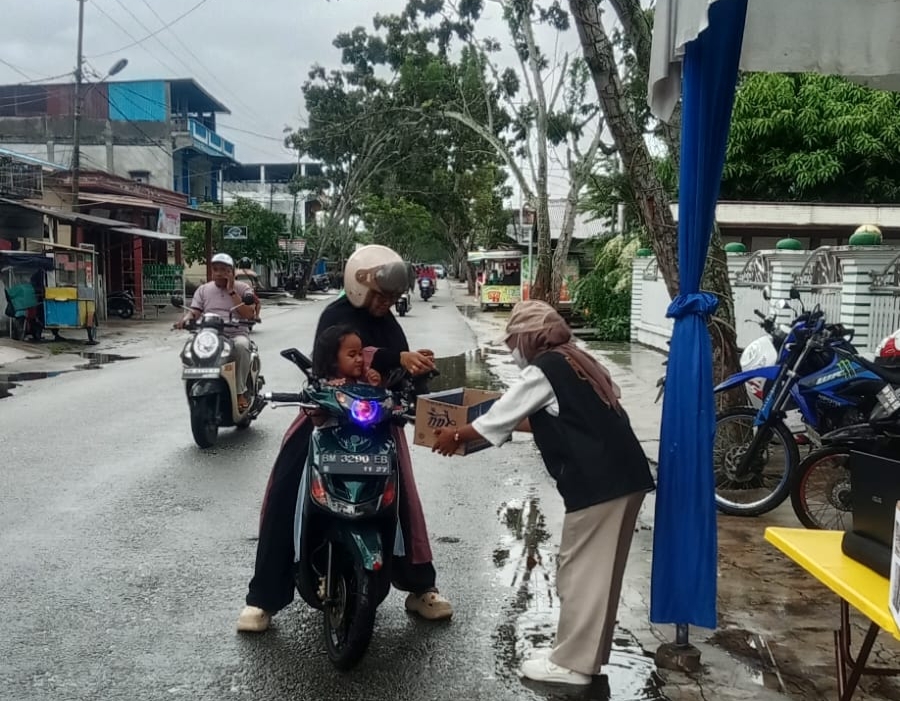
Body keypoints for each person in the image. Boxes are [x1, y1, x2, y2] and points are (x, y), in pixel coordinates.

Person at [432, 300, 655, 686]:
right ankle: (587, 656)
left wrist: (456, 435)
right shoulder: (577, 359)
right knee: (599, 574)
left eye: (513, 341)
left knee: (581, 573)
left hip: (598, 482)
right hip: (625, 476)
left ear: (531, 337)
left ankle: (572, 665)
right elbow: (556, 417)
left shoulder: (545, 369)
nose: (510, 349)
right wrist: (483, 428)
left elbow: (498, 417)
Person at [237, 244, 452, 633]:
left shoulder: (389, 322)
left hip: (377, 424)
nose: (386, 303)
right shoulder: (335, 316)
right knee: (286, 488)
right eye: (381, 295)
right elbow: (335, 361)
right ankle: (263, 598)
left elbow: (397, 364)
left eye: (392, 297)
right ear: (359, 286)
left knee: (405, 501)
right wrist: (390, 359)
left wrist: (413, 367)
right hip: (328, 419)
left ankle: (421, 587)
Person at [175, 252, 256, 410]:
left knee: (241, 346)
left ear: (232, 271)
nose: (219, 273)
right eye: (216, 269)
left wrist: (231, 290)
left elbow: (249, 314)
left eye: (224, 270)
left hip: (235, 334)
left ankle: (240, 392)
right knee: (190, 348)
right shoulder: (203, 290)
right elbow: (195, 311)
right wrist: (185, 319)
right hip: (210, 335)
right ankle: (195, 383)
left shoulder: (243, 288)